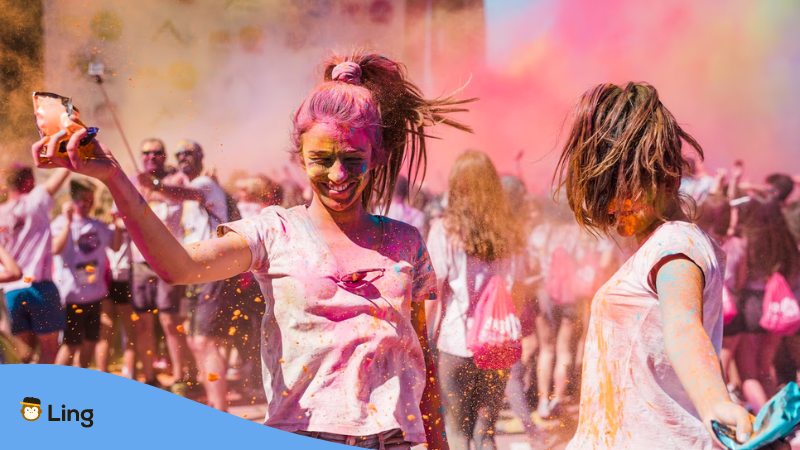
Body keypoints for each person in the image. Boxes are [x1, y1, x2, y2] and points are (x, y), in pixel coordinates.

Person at [33, 52, 472, 450]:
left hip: (395, 438)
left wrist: (438, 443)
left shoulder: (405, 241)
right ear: (300, 157)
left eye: (353, 159)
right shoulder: (275, 231)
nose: (338, 174)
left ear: (375, 155)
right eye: (322, 158)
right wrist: (114, 178)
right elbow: (178, 266)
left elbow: (421, 354)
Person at [555, 82, 765, 449]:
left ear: (663, 177)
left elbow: (683, 327)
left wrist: (716, 401)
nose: (611, 208)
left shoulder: (675, 244)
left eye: (619, 191)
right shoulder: (655, 247)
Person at [426, 150, 525, 450]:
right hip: (497, 344)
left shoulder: (444, 231)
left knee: (457, 432)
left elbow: (433, 294)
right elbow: (517, 293)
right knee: (485, 433)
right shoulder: (510, 232)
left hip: (455, 343)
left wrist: (427, 340)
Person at [129, 138, 195, 387]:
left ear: (164, 156)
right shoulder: (133, 182)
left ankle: (180, 375)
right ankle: (148, 376)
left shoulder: (177, 180)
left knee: (170, 321)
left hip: (167, 260)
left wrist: (156, 186)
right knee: (143, 322)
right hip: (140, 261)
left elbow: (191, 196)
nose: (151, 157)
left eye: (157, 152)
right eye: (146, 153)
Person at [0, 164, 70, 363]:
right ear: (29, 181)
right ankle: (43, 393)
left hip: (10, 292)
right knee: (49, 351)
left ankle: (24, 393)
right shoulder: (36, 200)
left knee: (24, 355)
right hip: (39, 288)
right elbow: (64, 171)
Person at [51, 179, 121, 367]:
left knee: (90, 342)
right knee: (70, 345)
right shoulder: (60, 224)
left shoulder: (97, 226)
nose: (86, 204)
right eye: (82, 199)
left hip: (94, 296)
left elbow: (115, 246)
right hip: (71, 298)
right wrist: (68, 222)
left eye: (90, 200)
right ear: (72, 199)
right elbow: (55, 249)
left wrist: (118, 225)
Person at [97, 206, 137, 377]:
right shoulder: (106, 230)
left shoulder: (132, 230)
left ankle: (129, 372)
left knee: (129, 329)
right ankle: (102, 372)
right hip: (109, 280)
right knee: (107, 328)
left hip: (124, 279)